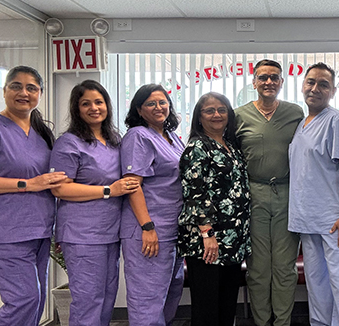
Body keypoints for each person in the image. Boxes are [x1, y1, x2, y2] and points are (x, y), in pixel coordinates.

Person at [0, 65, 67, 325]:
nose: (24, 92)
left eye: (31, 88)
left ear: (40, 93)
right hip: (7, 231)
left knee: (37, 300)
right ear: (5, 91)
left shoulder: (41, 133)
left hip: (40, 230)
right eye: (16, 86)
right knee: (23, 299)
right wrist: (27, 184)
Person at [49, 80, 140, 326]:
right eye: (85, 103)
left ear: (107, 106)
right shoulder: (69, 142)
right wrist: (109, 190)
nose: (94, 108)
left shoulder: (114, 141)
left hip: (111, 231)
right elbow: (60, 188)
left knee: (107, 298)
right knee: (88, 299)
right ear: (76, 109)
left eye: (98, 102)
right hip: (82, 234)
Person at [288, 62, 339, 326]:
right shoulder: (302, 123)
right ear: (303, 85)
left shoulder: (337, 121)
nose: (315, 88)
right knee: (316, 286)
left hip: (334, 221)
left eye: (323, 84)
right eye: (310, 82)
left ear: (333, 91)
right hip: (308, 220)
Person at [235, 59, 304, 326]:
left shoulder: (295, 112)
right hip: (254, 194)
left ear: (281, 83)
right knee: (258, 268)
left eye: (274, 77)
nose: (268, 82)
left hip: (288, 194)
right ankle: (262, 322)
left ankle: (282, 322)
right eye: (263, 77)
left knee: (285, 268)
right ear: (254, 82)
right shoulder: (238, 115)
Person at [178, 92, 252, 326]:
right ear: (199, 117)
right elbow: (195, 193)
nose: (217, 115)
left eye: (222, 110)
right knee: (207, 307)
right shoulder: (198, 146)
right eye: (209, 110)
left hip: (232, 239)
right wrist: (207, 234)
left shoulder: (230, 145)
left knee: (227, 303)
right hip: (208, 241)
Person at [120, 84, 185, 326]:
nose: (158, 107)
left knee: (169, 293)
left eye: (162, 102)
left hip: (172, 228)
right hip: (149, 229)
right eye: (150, 103)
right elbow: (132, 185)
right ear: (139, 109)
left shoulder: (172, 137)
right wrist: (147, 227)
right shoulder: (138, 136)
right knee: (148, 299)